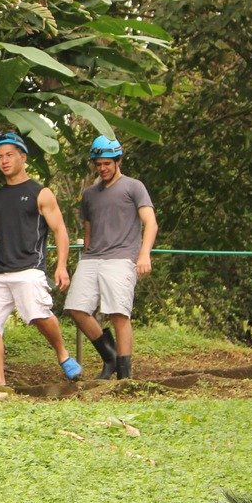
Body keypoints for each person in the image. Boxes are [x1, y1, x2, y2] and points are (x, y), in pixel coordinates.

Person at [0, 131, 82, 390]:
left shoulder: (41, 193)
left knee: (38, 316)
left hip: (29, 268)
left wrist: (61, 267)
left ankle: (62, 354)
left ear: (23, 157)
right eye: (0, 157)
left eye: (10, 155)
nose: (4, 161)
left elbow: (60, 231)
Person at [65, 135, 157, 380]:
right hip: (92, 258)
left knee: (119, 314)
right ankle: (110, 358)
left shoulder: (133, 186)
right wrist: (86, 253)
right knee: (75, 308)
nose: (102, 168)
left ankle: (124, 377)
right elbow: (88, 229)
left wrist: (144, 254)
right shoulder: (89, 194)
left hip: (121, 257)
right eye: (98, 164)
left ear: (118, 161)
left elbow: (150, 222)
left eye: (107, 163)